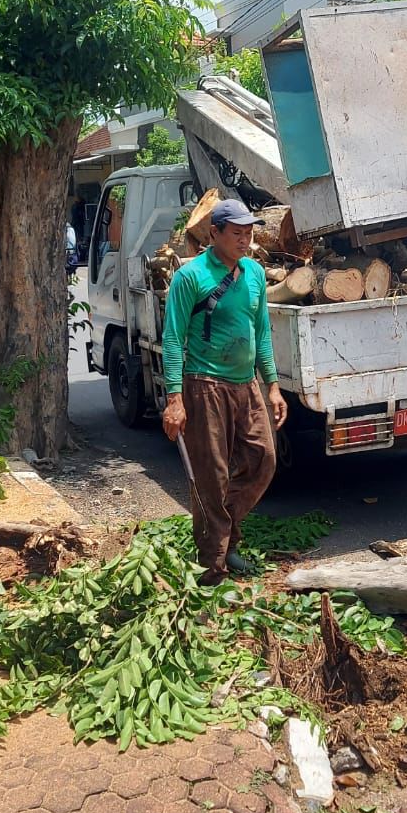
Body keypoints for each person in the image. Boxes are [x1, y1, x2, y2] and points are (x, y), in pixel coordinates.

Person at [160, 198, 287, 582]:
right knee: (211, 474)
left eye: (249, 233)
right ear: (213, 233)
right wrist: (174, 399)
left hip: (246, 385)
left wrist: (274, 387)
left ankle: (224, 532)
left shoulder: (253, 274)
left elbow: (261, 333)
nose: (245, 241)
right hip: (205, 385)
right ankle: (213, 563)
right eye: (237, 233)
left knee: (263, 461)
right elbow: (171, 338)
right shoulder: (190, 277)